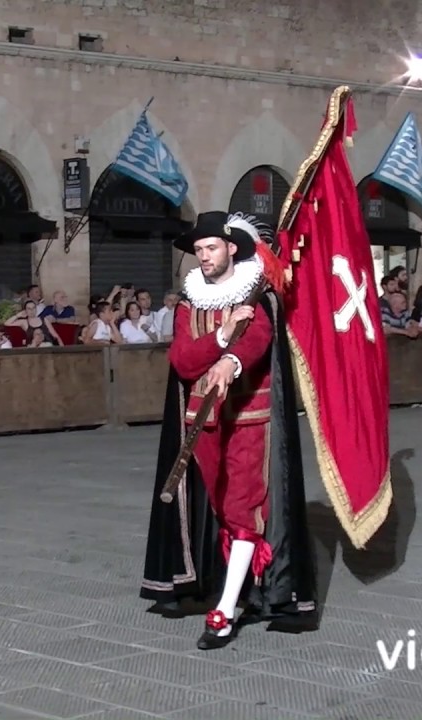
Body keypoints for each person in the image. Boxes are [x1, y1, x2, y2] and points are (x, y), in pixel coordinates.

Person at [140, 211, 317, 650]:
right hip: (200, 421)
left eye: (212, 248)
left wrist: (232, 360)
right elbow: (182, 361)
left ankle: (225, 609)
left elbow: (257, 342)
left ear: (231, 248)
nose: (204, 256)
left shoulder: (259, 298)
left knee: (243, 507)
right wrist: (221, 340)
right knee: (214, 505)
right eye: (199, 250)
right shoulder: (188, 303)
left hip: (248, 418)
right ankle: (222, 584)